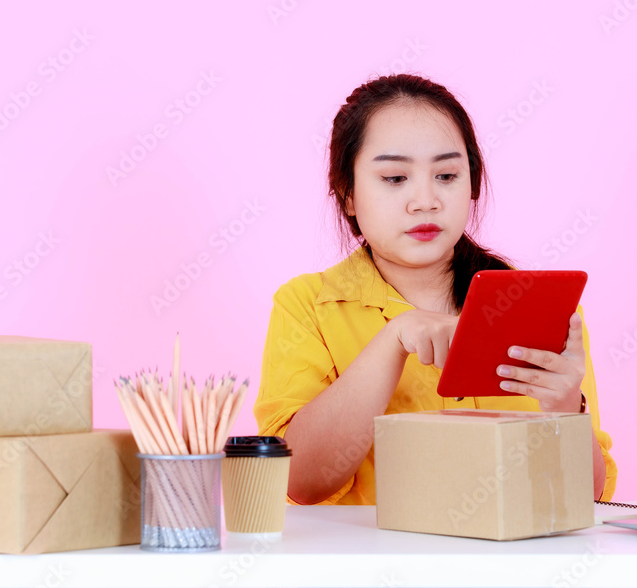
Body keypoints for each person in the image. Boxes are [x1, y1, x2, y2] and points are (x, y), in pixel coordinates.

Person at [254, 73, 617, 505]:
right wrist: (394, 338)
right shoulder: (307, 306)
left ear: (473, 184)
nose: (425, 200)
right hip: (374, 570)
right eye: (394, 178)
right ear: (348, 194)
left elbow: (588, 498)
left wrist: (564, 407)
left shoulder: (537, 308)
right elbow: (298, 482)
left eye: (446, 175)